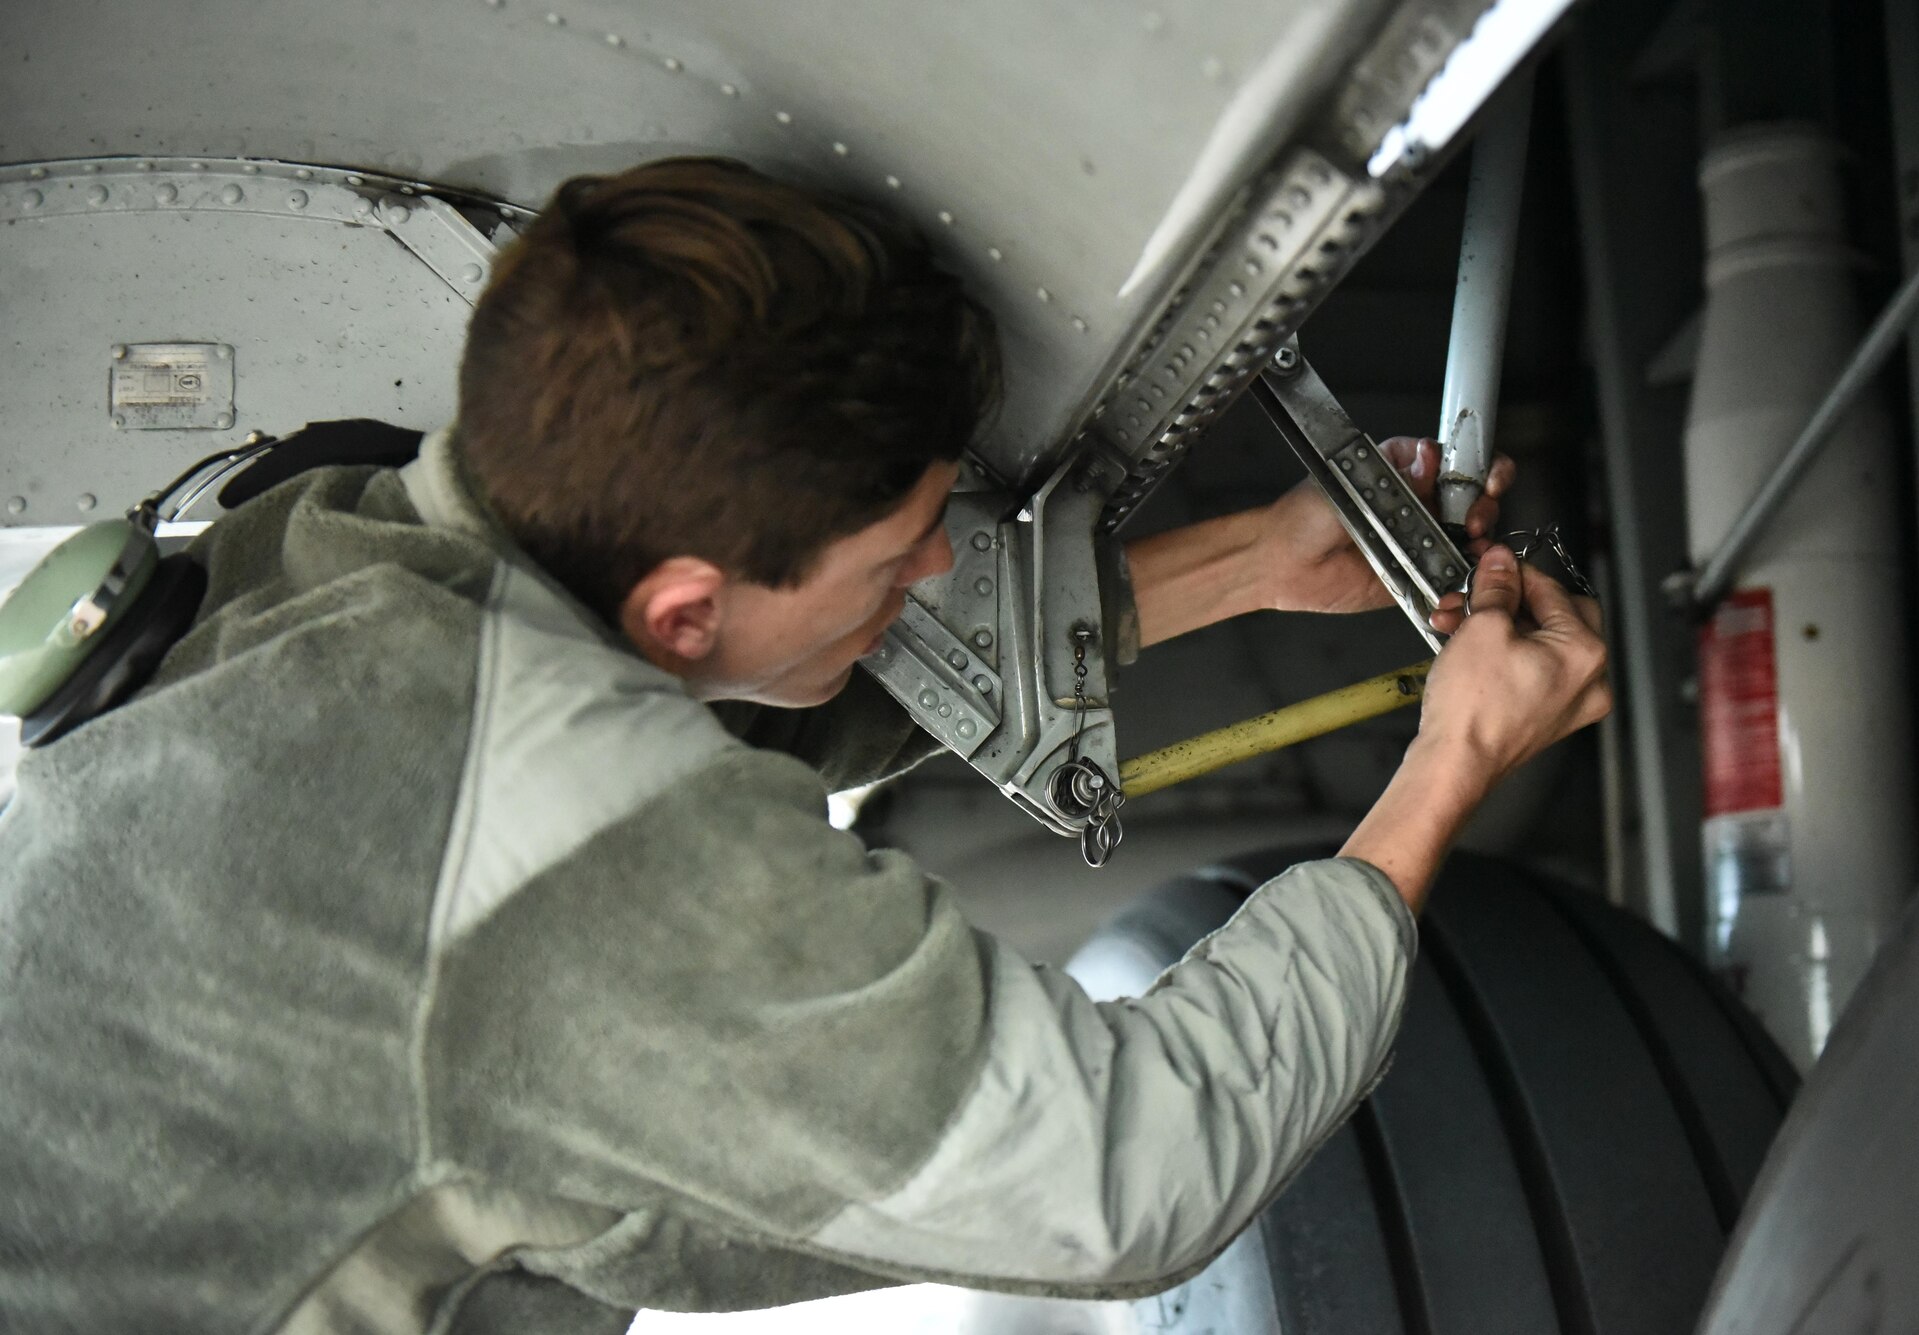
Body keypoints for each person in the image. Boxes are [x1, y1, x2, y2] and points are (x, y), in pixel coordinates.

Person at [0, 157, 1610, 1332]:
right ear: (689, 606)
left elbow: (775, 685)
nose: (932, 578)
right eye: (901, 548)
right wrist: (1447, 768)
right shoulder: (543, 835)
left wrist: (1243, 566)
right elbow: (1131, 1168)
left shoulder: (340, 552)